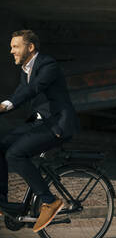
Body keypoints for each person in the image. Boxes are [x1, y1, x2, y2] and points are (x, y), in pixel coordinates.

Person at [0, 30, 80, 232]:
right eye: (11, 47)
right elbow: (20, 92)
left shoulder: (48, 65)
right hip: (39, 122)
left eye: (15, 46)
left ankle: (49, 201)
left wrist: (8, 104)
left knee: (15, 154)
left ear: (30, 47)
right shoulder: (26, 68)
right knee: (2, 146)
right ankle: (2, 201)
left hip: (57, 124)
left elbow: (33, 88)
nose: (11, 51)